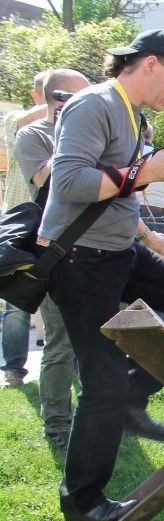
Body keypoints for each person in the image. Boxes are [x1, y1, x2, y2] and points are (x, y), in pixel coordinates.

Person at [39, 29, 164, 521]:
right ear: (149, 63)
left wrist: (146, 230)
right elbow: (67, 183)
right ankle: (83, 504)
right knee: (101, 384)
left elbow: (119, 192)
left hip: (121, 252)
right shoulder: (93, 105)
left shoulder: (139, 117)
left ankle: (137, 392)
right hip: (78, 263)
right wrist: (145, 173)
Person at [12, 69, 90, 451]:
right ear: (49, 98)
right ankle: (58, 427)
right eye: (68, 97)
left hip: (97, 251)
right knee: (60, 344)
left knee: (98, 341)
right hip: (56, 252)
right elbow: (47, 180)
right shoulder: (33, 136)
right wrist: (69, 136)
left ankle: (104, 416)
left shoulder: (92, 131)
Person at [1, 69, 50, 390]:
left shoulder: (64, 132)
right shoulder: (17, 123)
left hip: (50, 229)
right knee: (17, 304)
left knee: (60, 304)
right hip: (21, 228)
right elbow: (19, 124)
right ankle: (13, 370)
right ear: (36, 96)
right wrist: (61, 101)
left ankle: (67, 365)